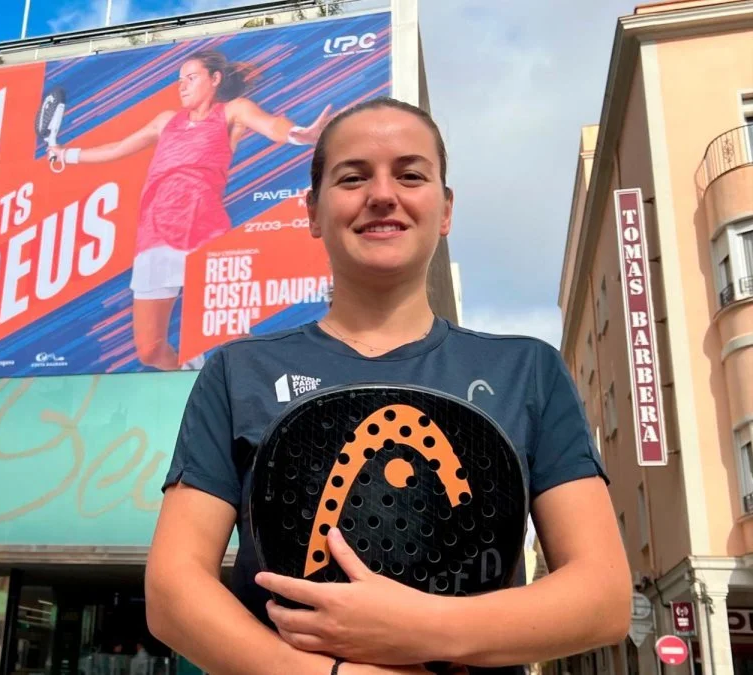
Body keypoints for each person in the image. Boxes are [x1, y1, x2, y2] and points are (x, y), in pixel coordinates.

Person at [144, 97, 632, 675]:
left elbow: (602, 596)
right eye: (352, 177)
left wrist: (416, 628)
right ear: (312, 212)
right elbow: (173, 591)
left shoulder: (530, 371)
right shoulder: (236, 372)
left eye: (410, 175)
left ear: (445, 209)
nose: (382, 194)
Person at [49, 49, 331, 372]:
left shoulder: (232, 111)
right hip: (155, 236)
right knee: (150, 351)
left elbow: (271, 125)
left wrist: (298, 135)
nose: (182, 86)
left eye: (191, 78)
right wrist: (65, 154)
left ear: (215, 79)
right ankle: (191, 375)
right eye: (179, 80)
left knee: (234, 341)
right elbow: (117, 148)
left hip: (206, 236)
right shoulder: (165, 121)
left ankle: (260, 393)